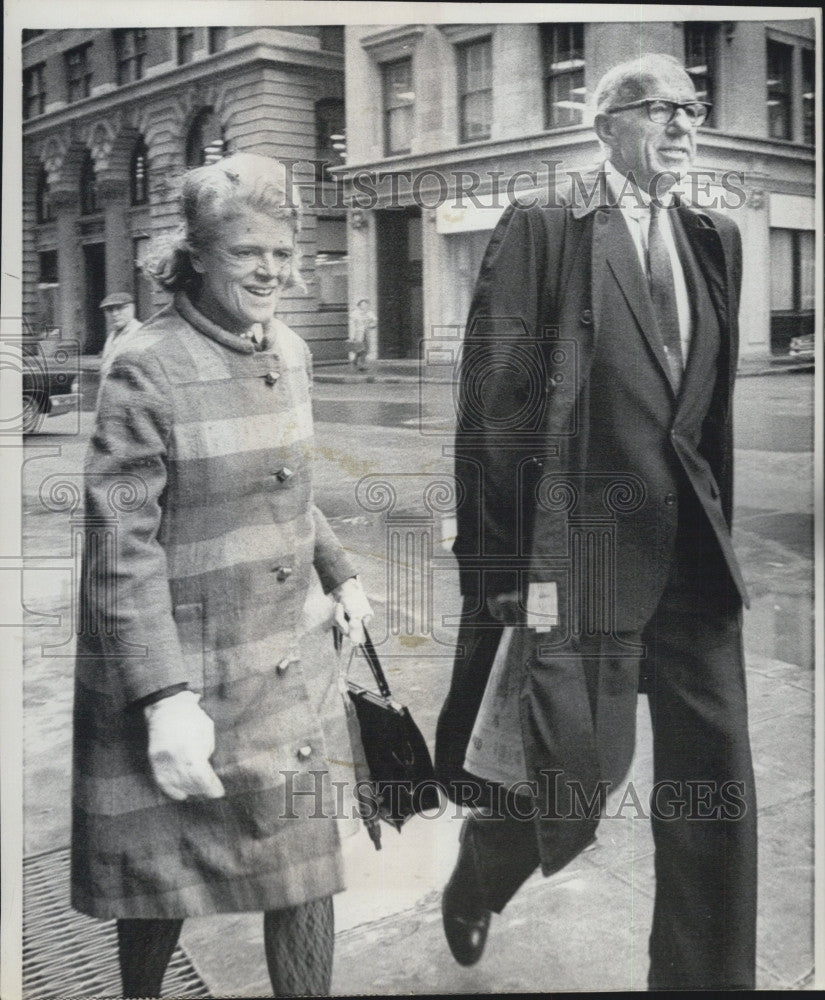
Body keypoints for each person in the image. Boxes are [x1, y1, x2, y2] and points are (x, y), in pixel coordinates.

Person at [435, 54, 756, 991]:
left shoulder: (713, 237)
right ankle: (484, 867)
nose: (685, 126)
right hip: (580, 559)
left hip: (693, 558)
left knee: (715, 783)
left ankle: (703, 978)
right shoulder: (545, 227)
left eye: (693, 111)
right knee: (574, 772)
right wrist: (496, 572)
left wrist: (726, 535)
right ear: (606, 122)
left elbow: (709, 415)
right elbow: (492, 411)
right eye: (663, 109)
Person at [71, 152, 373, 998]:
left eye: (282, 252)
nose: (271, 270)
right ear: (197, 254)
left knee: (306, 865)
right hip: (183, 669)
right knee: (161, 875)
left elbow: (289, 486)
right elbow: (120, 542)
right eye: (249, 252)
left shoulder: (292, 350)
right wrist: (163, 700)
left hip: (281, 660)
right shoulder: (146, 363)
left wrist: (339, 572)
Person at [98, 291, 142, 380]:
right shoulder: (112, 335)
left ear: (132, 309)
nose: (114, 314)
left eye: (120, 308)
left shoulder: (139, 333)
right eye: (109, 310)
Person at [347, 297, 376, 370]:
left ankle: (355, 360)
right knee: (360, 348)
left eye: (366, 305)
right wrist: (352, 335)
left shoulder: (370, 313)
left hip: (367, 332)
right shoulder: (355, 313)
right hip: (358, 332)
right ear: (359, 306)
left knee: (366, 348)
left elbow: (374, 322)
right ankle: (362, 364)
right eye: (362, 305)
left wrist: (371, 325)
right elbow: (352, 324)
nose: (364, 306)